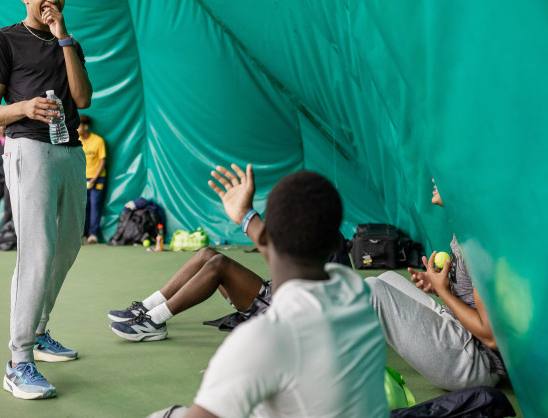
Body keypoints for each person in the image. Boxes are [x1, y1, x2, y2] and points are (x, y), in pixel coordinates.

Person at [149, 164, 388, 417]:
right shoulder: (357, 295)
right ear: (336, 244)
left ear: (262, 238)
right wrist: (245, 215)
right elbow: (282, 250)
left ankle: (151, 319)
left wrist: (248, 218)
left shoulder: (263, 339)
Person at [0, 0, 91, 400]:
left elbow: (82, 99)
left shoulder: (69, 41)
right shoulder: (3, 41)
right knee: (38, 250)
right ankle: (18, 360)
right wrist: (24, 107)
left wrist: (64, 37)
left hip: (69, 150)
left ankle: (40, 332)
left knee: (66, 247)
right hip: (28, 148)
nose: (52, 1)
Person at [365, 181, 508, 391]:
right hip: (458, 329)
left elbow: (491, 337)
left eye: (441, 175)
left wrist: (443, 292)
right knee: (386, 278)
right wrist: (441, 285)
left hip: (475, 361)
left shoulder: (476, 242)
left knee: (372, 289)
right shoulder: (465, 228)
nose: (433, 179)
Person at [108, 245, 270, 341]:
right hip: (273, 290)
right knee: (206, 254)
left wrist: (245, 215)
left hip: (275, 307)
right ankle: (147, 307)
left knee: (219, 264)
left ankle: (154, 321)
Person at [78, 114, 106, 244]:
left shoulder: (98, 141)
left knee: (95, 206)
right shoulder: (76, 141)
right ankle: (83, 234)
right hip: (81, 180)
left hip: (97, 179)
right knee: (83, 207)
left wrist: (94, 178)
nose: (76, 129)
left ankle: (93, 235)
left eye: (79, 126)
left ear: (86, 126)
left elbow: (102, 160)